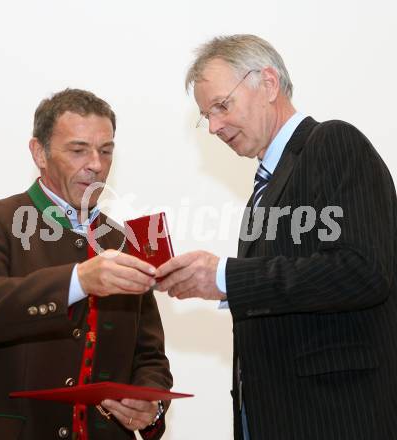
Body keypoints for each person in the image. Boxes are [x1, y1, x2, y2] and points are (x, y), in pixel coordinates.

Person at [155, 34, 397, 439]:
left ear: (267, 84)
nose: (213, 126)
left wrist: (223, 278)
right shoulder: (265, 185)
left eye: (221, 106)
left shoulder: (334, 142)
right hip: (277, 416)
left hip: (336, 415)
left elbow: (363, 270)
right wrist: (220, 282)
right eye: (206, 116)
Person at [0, 88, 172, 440]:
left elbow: (148, 355)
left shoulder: (125, 240)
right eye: (78, 150)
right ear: (39, 152)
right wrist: (77, 280)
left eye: (106, 151)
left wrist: (150, 405)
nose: (96, 164)